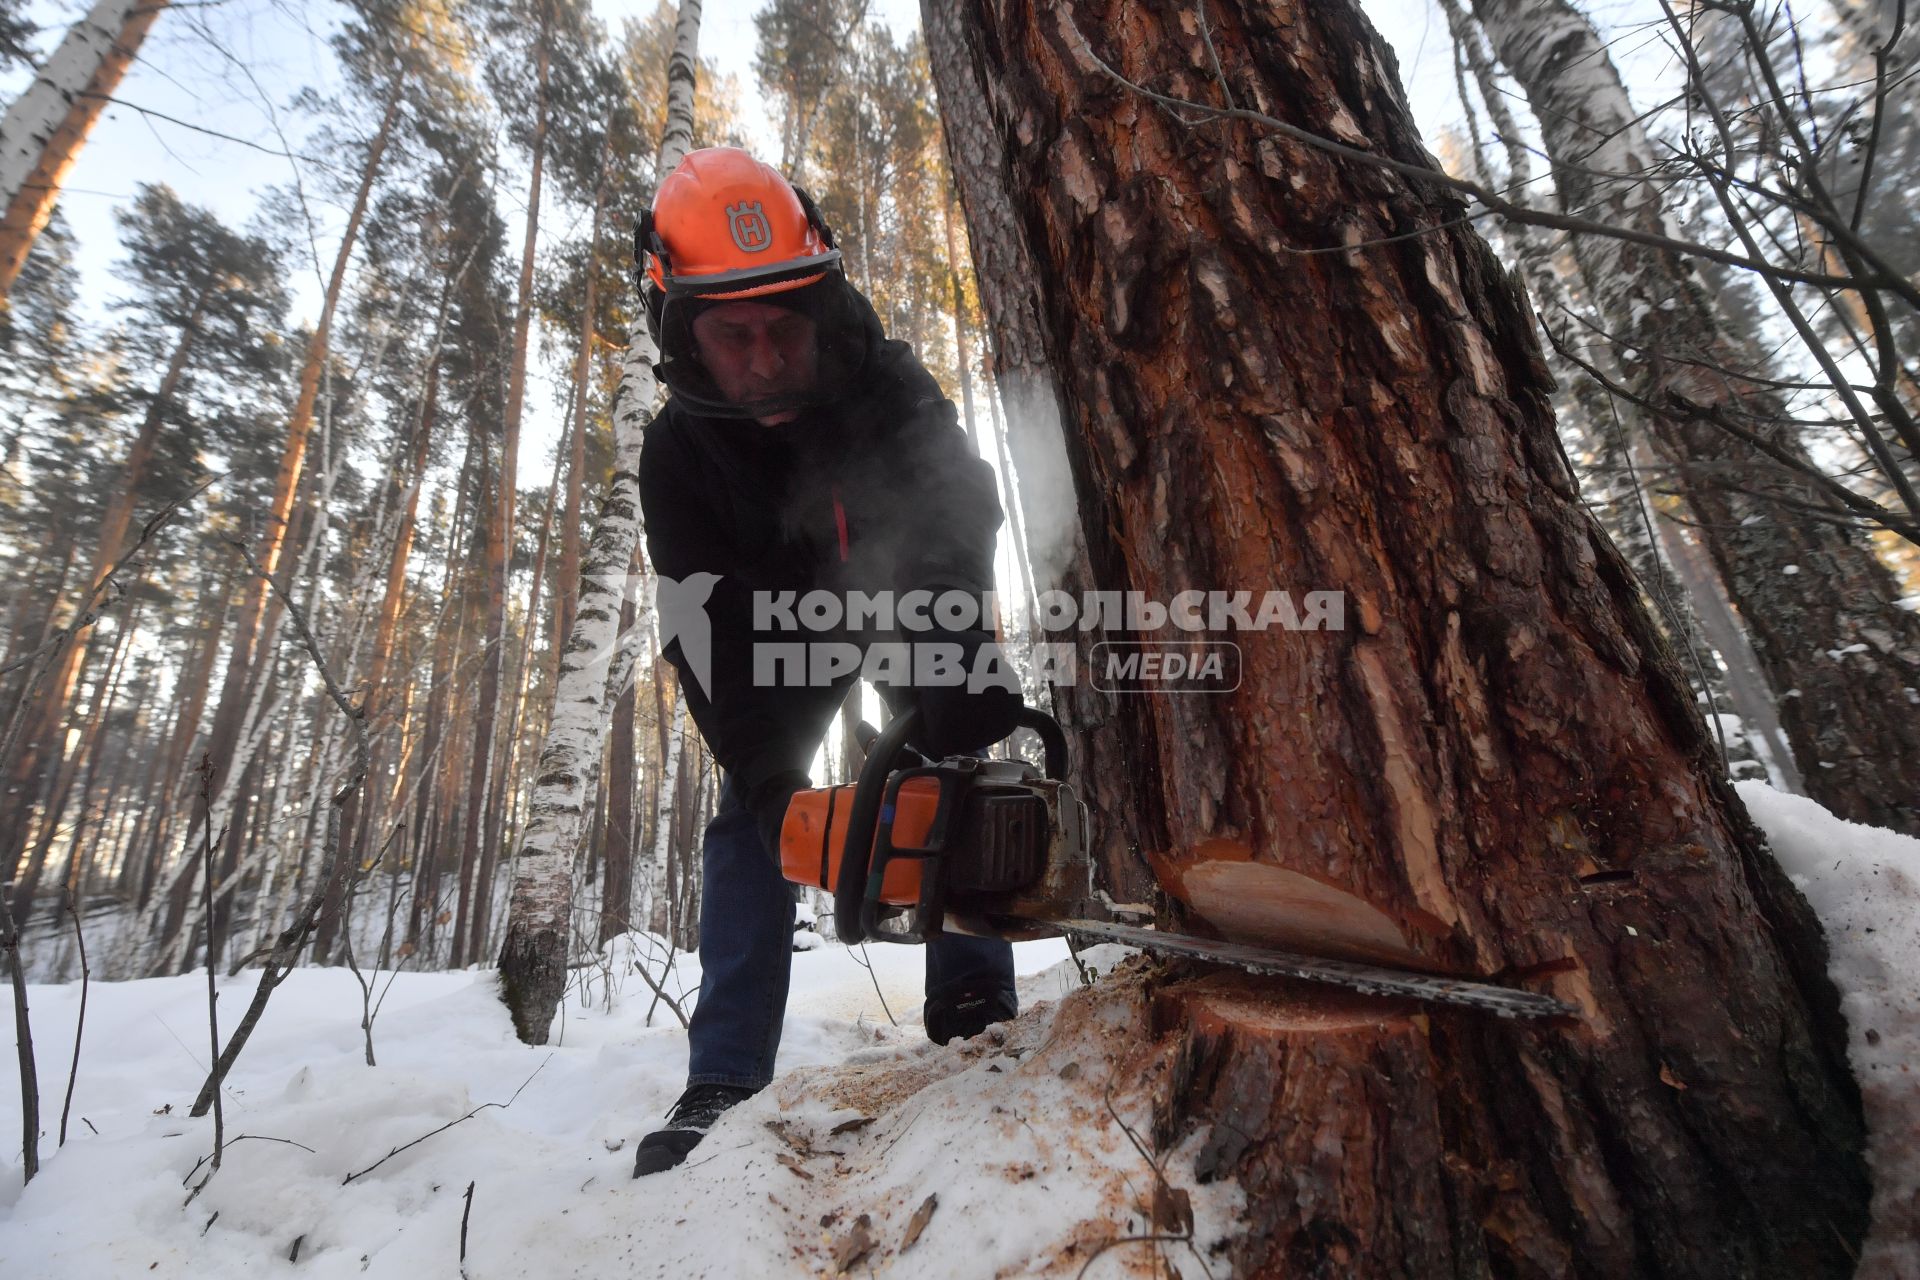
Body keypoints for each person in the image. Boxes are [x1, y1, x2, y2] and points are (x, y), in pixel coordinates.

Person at [631, 147, 1024, 1177]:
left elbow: (954, 500)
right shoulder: (677, 454)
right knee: (746, 808)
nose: (762, 359)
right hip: (769, 639)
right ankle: (722, 1072)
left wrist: (951, 660)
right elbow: (701, 626)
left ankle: (977, 998)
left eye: (782, 329)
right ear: (682, 330)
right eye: (733, 335)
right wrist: (768, 774)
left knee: (955, 759)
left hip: (901, 593)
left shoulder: (884, 382)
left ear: (822, 305)